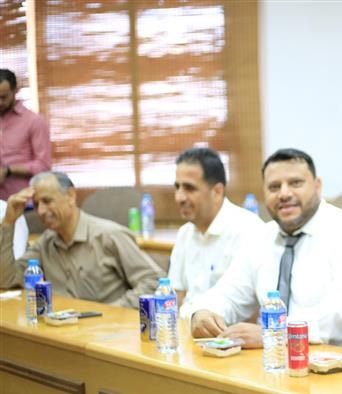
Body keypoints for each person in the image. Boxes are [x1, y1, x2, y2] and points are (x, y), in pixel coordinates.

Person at [191, 148, 342, 357]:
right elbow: (230, 292)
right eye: (274, 187)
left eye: (295, 183)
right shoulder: (261, 238)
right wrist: (204, 311)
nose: (284, 194)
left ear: (317, 186)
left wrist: (273, 333)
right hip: (288, 365)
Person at [0, 172, 164, 308]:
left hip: (108, 331)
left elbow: (154, 281)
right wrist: (8, 223)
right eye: (36, 205)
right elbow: (6, 280)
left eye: (47, 201)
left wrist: (112, 311)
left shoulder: (109, 236)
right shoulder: (45, 243)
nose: (41, 211)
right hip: (61, 332)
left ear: (71, 196)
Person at [169, 147, 265, 319]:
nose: (179, 197)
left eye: (189, 188)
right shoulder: (184, 233)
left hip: (228, 332)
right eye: (177, 187)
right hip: (187, 326)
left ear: (217, 192)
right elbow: (176, 298)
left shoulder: (248, 230)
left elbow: (253, 310)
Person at [0, 69, 52, 201]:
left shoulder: (34, 121)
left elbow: (44, 166)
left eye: (3, 97)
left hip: (23, 204)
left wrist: (8, 171)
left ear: (15, 90)